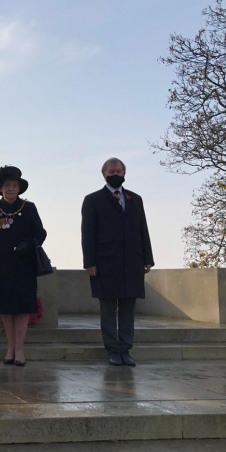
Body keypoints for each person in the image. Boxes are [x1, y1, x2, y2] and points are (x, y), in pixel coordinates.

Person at [81, 157, 154, 367]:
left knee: (128, 309)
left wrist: (148, 258)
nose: (115, 174)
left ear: (124, 173)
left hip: (132, 262)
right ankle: (113, 350)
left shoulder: (135, 199)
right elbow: (88, 233)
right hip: (105, 263)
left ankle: (125, 349)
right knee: (108, 308)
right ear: (104, 174)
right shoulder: (93, 200)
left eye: (119, 171)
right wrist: (90, 262)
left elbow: (143, 229)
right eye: (111, 171)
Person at [0, 166, 46, 367]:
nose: (10, 189)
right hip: (1, 268)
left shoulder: (29, 208)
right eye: (7, 185)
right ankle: (10, 347)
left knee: (23, 309)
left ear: (19, 188)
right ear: (1, 188)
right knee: (6, 309)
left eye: (14, 186)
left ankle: (20, 348)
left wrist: (29, 243)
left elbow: (41, 233)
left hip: (24, 266)